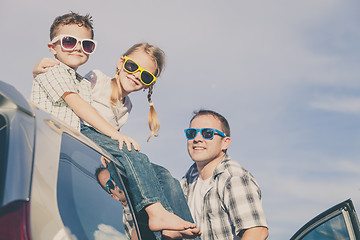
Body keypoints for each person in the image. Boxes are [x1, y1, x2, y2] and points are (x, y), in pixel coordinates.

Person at [30, 12, 200, 239]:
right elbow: (78, 106)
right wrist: (36, 70)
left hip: (99, 147)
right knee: (133, 154)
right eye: (132, 66)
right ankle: (157, 213)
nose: (136, 75)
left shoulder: (126, 106)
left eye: (146, 77)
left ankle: (179, 227)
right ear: (121, 62)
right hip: (80, 136)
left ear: (149, 85)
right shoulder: (93, 79)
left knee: (163, 176)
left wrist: (114, 142)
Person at [181, 110, 269, 240]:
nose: (197, 139)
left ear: (225, 142)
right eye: (192, 133)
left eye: (207, 133)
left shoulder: (233, 178)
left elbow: (257, 232)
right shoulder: (186, 182)